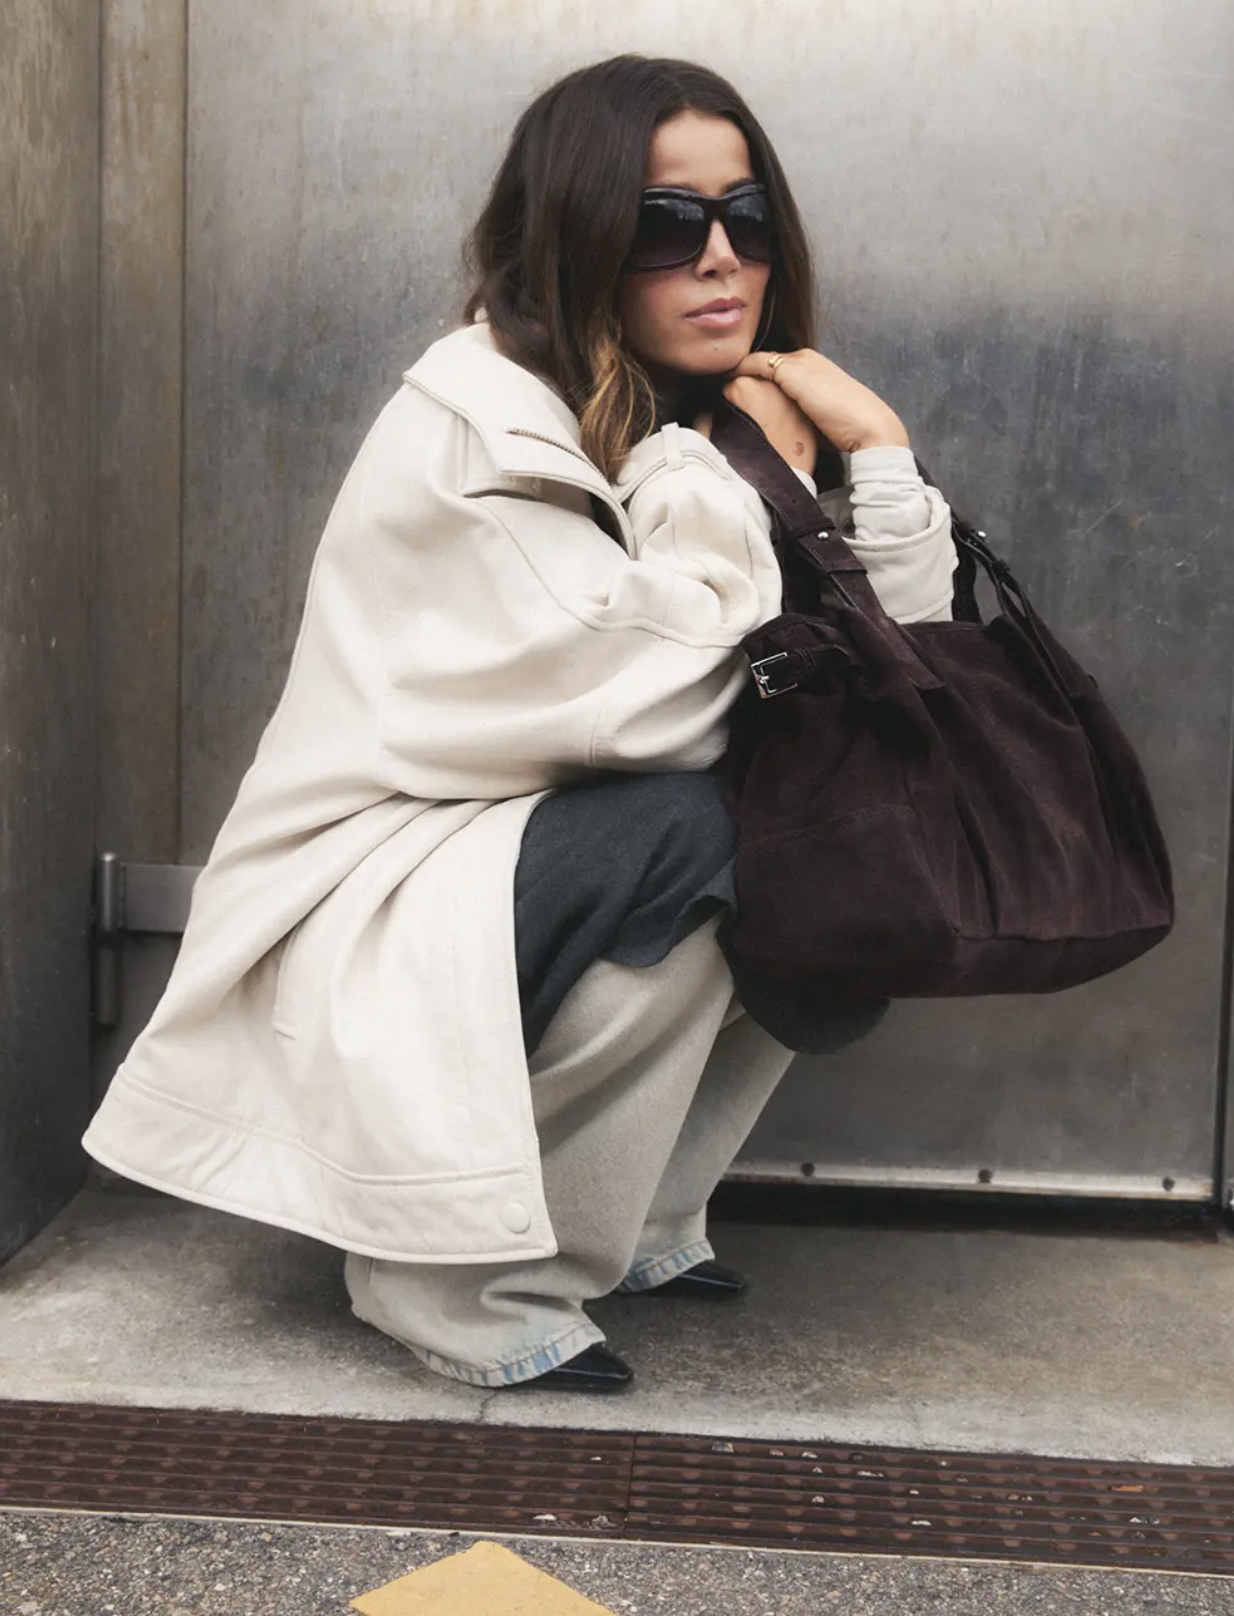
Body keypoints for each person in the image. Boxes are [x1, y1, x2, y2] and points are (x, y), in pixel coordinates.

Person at [83, 55, 957, 1392]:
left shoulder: (701, 408)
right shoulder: (481, 419)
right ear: (575, 238)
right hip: (384, 884)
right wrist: (733, 480)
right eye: (665, 223)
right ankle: (450, 1275)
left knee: (833, 829)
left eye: (747, 216)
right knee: (704, 831)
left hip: (519, 857)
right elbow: (652, 703)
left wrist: (879, 457)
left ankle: (637, 1215)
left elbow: (903, 682)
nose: (719, 257)